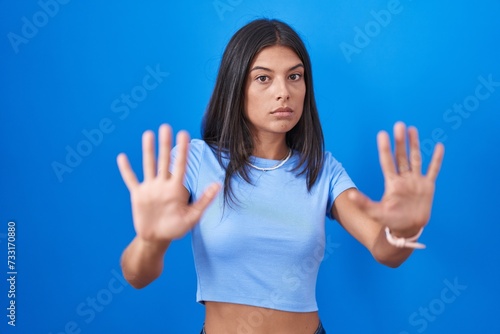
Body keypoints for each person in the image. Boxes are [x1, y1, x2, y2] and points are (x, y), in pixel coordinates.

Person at [116, 19, 444, 334]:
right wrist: (150, 240)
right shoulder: (196, 160)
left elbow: (385, 250)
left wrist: (405, 228)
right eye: (263, 78)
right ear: (235, 85)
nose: (283, 92)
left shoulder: (322, 169)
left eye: (294, 77)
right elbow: (136, 275)